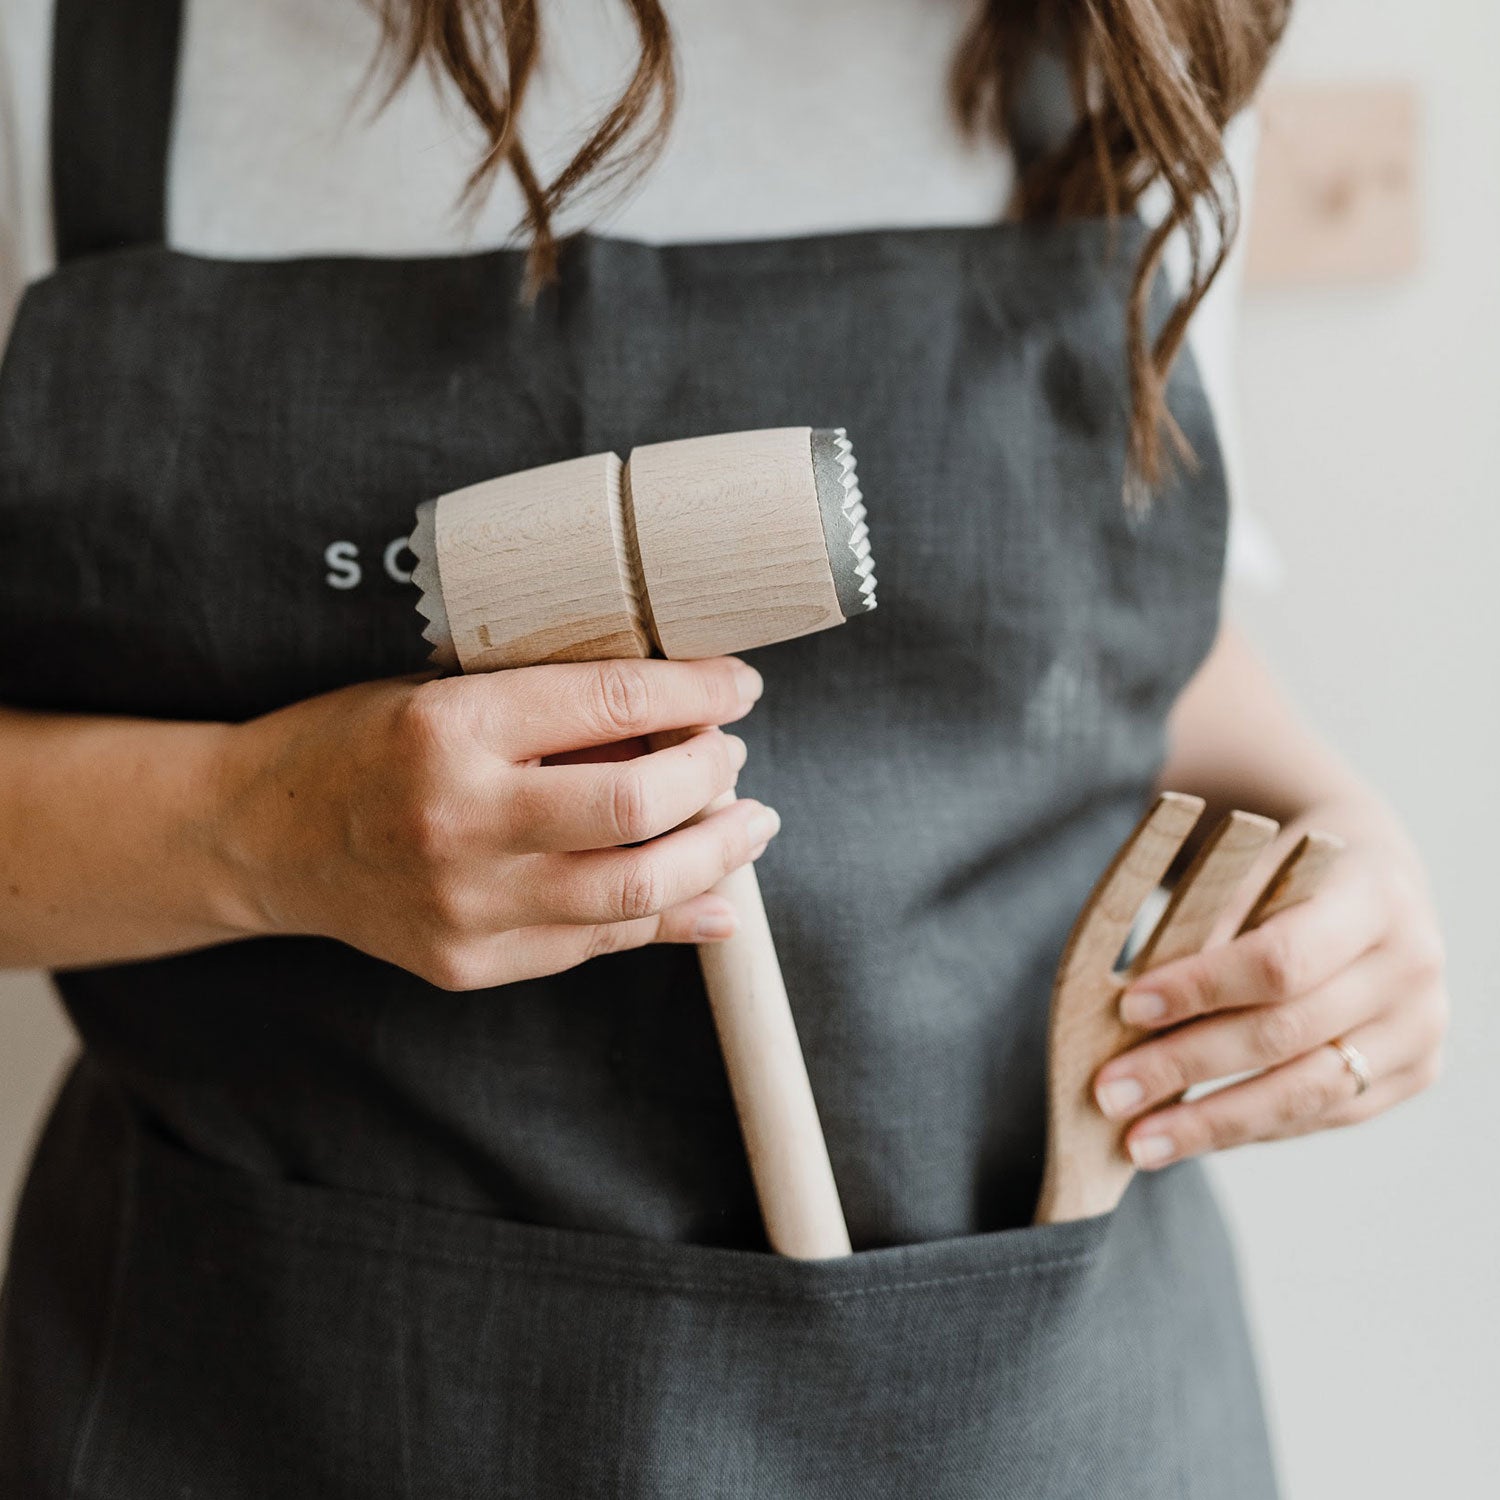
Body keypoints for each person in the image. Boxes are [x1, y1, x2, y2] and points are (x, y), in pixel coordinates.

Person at [0, 1, 1447, 1494]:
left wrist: (1336, 829)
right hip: (286, 1397)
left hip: (1046, 1388)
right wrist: (263, 832)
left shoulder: (1128, 29)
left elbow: (1110, 631)